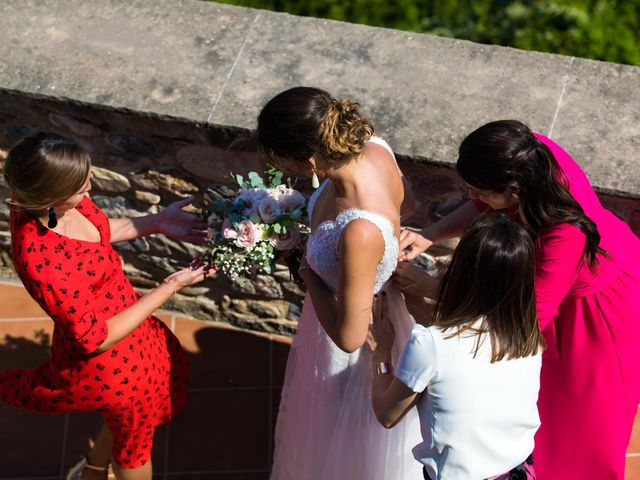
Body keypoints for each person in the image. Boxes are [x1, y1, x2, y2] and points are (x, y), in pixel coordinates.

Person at [399, 120, 640, 479]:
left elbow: (520, 319)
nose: (472, 197)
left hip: (595, 319)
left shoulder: (565, 233)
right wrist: (430, 235)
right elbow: (483, 203)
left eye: (478, 190)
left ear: (513, 192)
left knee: (582, 432)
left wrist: (432, 288)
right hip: (550, 294)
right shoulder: (526, 153)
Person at [0, 132, 214, 480]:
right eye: (82, 188)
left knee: (128, 424)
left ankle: (95, 470)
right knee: (134, 446)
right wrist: (171, 285)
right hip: (111, 365)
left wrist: (155, 222)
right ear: (49, 196)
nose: (90, 189)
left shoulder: (44, 196)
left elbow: (94, 233)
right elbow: (95, 338)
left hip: (131, 327)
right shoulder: (42, 263)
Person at [257, 86, 423, 480]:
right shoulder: (372, 144)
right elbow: (409, 205)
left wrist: (309, 272)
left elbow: (350, 337)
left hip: (353, 332)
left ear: (310, 159)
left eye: (282, 159)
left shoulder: (359, 232)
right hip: (369, 295)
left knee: (339, 438)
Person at [369, 213, 543, 479]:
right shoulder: (527, 333)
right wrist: (420, 310)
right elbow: (465, 357)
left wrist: (381, 351)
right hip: (518, 471)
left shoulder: (430, 345)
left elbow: (387, 414)